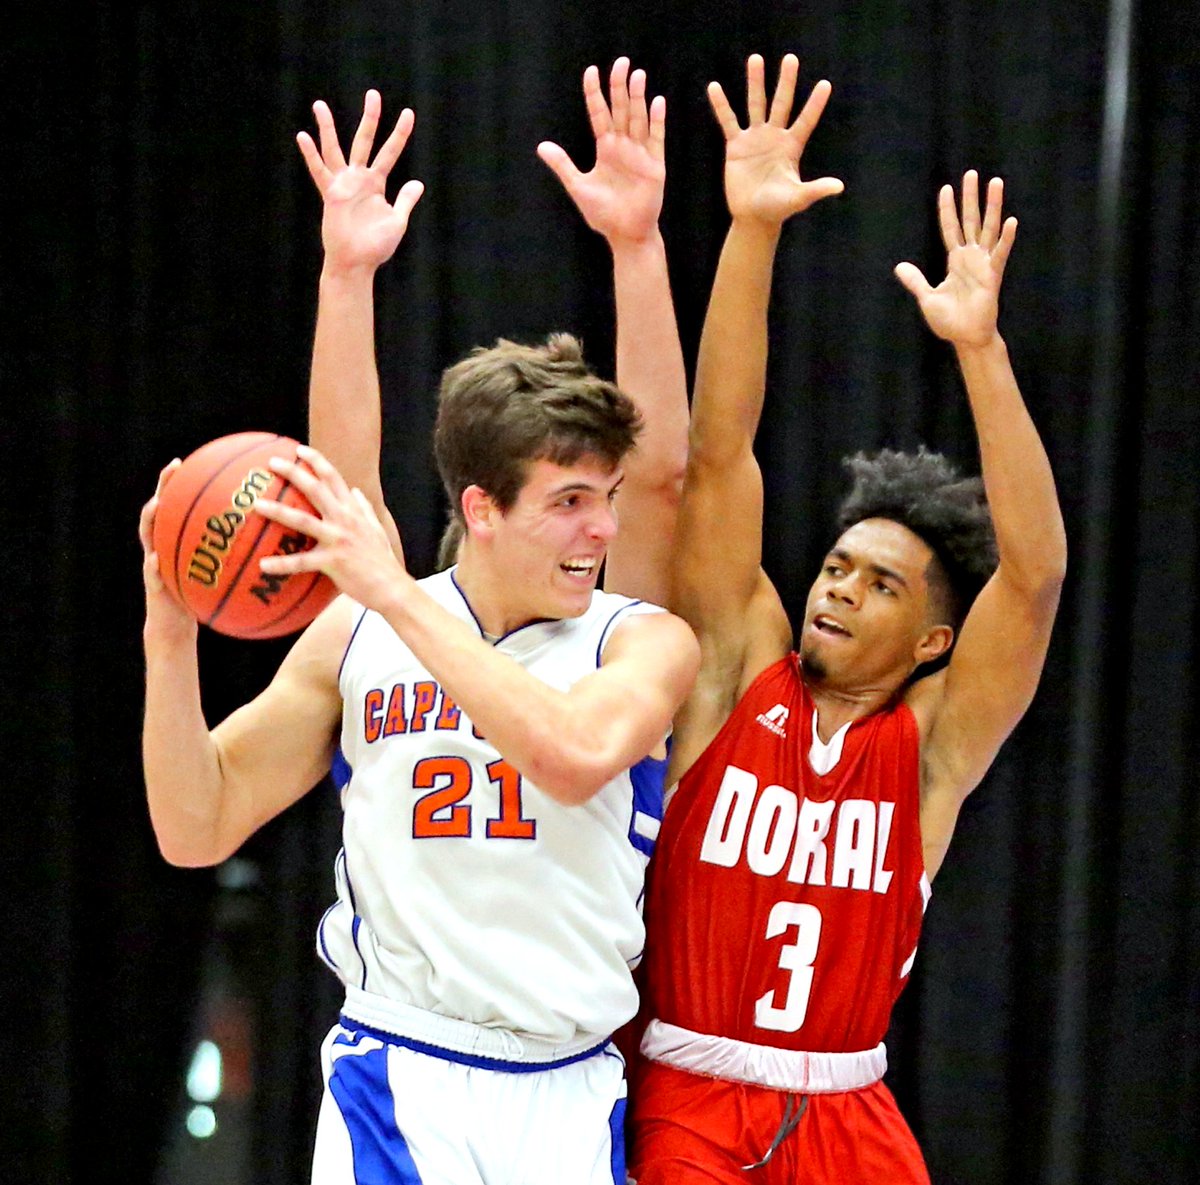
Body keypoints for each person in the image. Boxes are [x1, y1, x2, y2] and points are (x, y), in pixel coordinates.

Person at [139, 77, 699, 1185]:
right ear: (482, 508)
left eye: (607, 496)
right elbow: (194, 826)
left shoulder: (641, 642)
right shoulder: (363, 632)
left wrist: (638, 251)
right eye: (569, 502)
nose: (603, 529)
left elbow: (575, 754)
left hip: (567, 1084)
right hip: (398, 1075)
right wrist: (169, 641)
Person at [626, 55, 1068, 1184]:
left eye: (881, 586)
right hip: (687, 1088)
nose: (837, 589)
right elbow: (719, 453)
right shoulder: (735, 669)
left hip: (851, 1111)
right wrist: (751, 234)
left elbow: (1036, 577)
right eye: (836, 566)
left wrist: (981, 349)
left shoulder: (930, 751)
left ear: (933, 643)